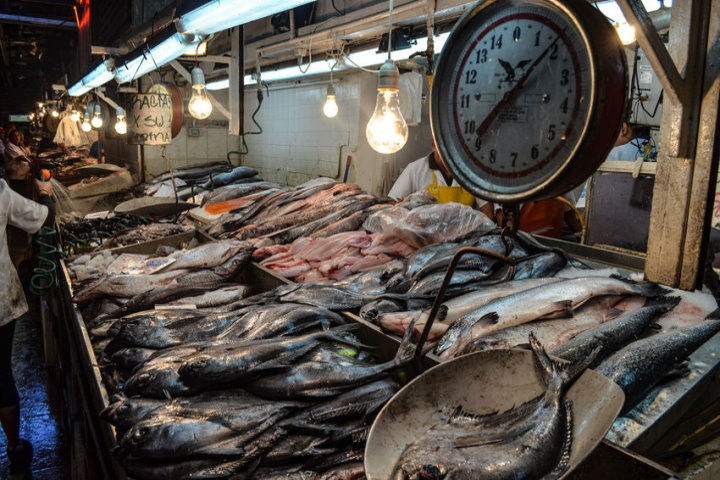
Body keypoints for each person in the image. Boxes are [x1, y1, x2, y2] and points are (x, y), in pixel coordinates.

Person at [0, 176, 54, 476]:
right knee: (1, 373)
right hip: (0, 301)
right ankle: (14, 446)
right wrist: (46, 194)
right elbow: (40, 219)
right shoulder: (0, 191)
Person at [388, 142, 495, 219]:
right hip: (424, 239)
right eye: (445, 151)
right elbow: (393, 206)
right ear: (434, 146)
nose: (450, 157)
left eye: (454, 152)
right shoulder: (415, 169)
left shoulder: (472, 172)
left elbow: (489, 211)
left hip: (463, 240)